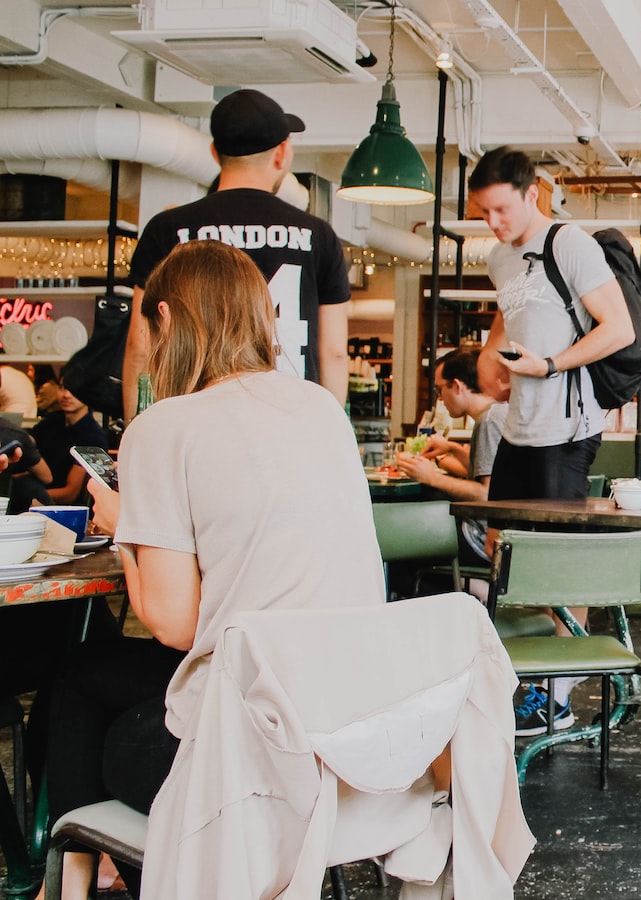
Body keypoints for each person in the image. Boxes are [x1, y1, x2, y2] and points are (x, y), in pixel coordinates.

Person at [43, 240, 384, 899]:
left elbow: (173, 624)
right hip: (347, 737)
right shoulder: (320, 408)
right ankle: (93, 872)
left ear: (165, 319)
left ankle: (80, 878)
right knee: (94, 674)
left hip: (250, 760)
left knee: (81, 679)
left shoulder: (163, 426)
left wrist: (124, 531)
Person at [468, 146, 635, 735]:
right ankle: (514, 681)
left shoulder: (570, 245)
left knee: (561, 568)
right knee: (502, 554)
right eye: (484, 213)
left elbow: (618, 329)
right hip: (518, 428)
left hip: (567, 428)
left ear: (532, 193)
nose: (494, 224)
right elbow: (510, 312)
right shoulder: (499, 258)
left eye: (502, 210)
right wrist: (495, 359)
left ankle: (557, 698)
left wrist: (551, 365)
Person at [123, 88, 351, 419]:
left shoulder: (168, 229)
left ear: (215, 153)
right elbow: (333, 353)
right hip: (291, 421)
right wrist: (331, 433)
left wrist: (135, 430)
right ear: (282, 154)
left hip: (197, 420)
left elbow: (140, 345)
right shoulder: (318, 236)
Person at [394, 347, 507, 567]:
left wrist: (431, 478)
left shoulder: (489, 422)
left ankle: (477, 589)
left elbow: (487, 494)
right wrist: (452, 448)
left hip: (481, 537)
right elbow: (493, 474)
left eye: (439, 389)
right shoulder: (498, 412)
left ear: (456, 386)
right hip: (496, 533)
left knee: (401, 544)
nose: (440, 399)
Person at [30, 369, 109, 505]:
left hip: (67, 511)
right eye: (63, 388)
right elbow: (27, 447)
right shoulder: (50, 422)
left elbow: (70, 493)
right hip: (37, 496)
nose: (66, 395)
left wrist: (29, 496)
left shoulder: (93, 436)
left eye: (74, 389)